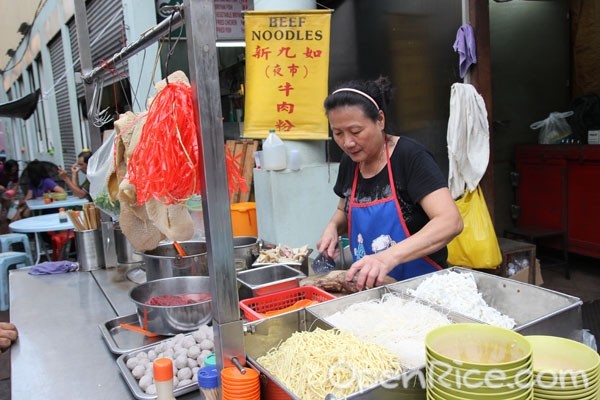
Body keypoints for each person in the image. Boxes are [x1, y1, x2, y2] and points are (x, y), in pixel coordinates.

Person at [317, 77, 463, 290]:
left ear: (380, 120)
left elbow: (450, 222)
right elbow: (343, 208)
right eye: (338, 133)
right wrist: (333, 227)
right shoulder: (350, 163)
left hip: (425, 287)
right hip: (375, 290)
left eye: (356, 132)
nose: (347, 142)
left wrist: (387, 257)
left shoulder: (410, 156)